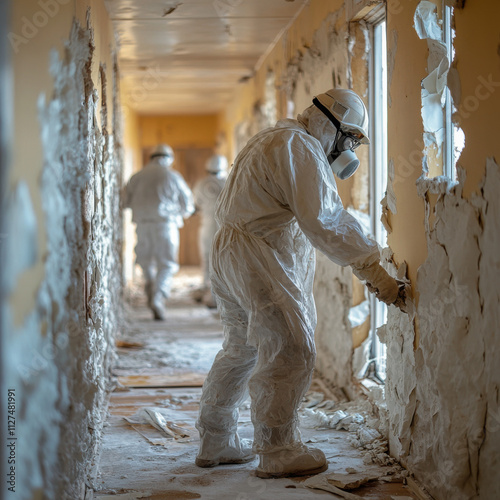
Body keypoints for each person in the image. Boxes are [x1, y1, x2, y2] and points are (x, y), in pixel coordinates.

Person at [195, 89, 407, 478]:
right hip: (253, 254)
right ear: (332, 124)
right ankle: (278, 449)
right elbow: (325, 220)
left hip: (231, 250)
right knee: (291, 346)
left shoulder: (273, 138)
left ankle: (216, 438)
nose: (348, 151)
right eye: (350, 139)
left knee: (241, 346)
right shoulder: (299, 146)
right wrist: (374, 272)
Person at [124, 144, 194, 320]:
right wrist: (181, 212)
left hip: (143, 225)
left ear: (151, 157)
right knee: (167, 264)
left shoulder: (137, 177)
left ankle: (149, 282)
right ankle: (158, 296)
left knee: (145, 259)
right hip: (166, 225)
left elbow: (124, 201)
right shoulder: (172, 176)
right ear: (169, 158)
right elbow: (187, 205)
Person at [193, 154, 228, 307]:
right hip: (225, 227)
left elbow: (195, 205)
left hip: (207, 226)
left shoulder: (201, 184)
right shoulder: (229, 182)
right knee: (223, 260)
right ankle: (219, 296)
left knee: (207, 259)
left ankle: (208, 292)